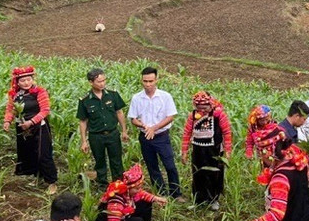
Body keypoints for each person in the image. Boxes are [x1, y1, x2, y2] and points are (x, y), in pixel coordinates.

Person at [128, 66, 183, 201]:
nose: (148, 84)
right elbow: (133, 118)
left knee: (170, 166)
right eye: (145, 81)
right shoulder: (137, 98)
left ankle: (176, 193)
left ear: (156, 80)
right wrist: (144, 126)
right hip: (145, 137)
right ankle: (161, 193)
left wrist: (154, 128)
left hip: (161, 137)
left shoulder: (165, 97)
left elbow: (170, 116)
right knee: (152, 166)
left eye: (151, 81)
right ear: (141, 81)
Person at [3, 66, 58, 194]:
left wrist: (31, 122)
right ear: (17, 82)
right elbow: (10, 109)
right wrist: (7, 121)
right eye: (23, 81)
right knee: (30, 154)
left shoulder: (40, 92)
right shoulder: (15, 95)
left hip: (39, 127)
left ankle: (51, 182)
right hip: (23, 128)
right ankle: (38, 177)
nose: (26, 83)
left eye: (28, 80)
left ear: (33, 79)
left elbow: (45, 110)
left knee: (43, 154)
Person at [76, 68, 128, 190]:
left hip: (112, 134)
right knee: (100, 162)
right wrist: (84, 141)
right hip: (96, 136)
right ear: (91, 82)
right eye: (99, 81)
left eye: (104, 80)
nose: (102, 84)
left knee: (116, 161)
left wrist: (124, 130)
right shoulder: (85, 100)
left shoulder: (113, 95)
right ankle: (103, 185)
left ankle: (118, 184)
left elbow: (119, 112)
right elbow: (83, 121)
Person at [181, 91, 233, 210]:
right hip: (198, 150)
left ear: (210, 105)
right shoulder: (193, 115)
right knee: (197, 173)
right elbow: (187, 133)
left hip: (214, 150)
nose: (202, 111)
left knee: (214, 174)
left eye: (205, 108)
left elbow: (227, 132)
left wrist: (228, 150)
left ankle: (213, 200)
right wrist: (184, 151)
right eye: (199, 108)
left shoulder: (219, 115)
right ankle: (198, 200)